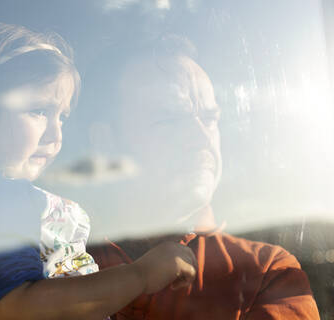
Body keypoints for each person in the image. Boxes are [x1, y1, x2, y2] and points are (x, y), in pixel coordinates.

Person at [0, 23, 199, 320]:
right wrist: (140, 275)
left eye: (61, 117)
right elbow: (16, 308)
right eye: (38, 111)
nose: (55, 135)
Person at [86, 37, 321, 319]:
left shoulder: (267, 272)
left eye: (210, 119)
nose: (201, 138)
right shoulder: (47, 261)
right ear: (105, 143)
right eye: (169, 120)